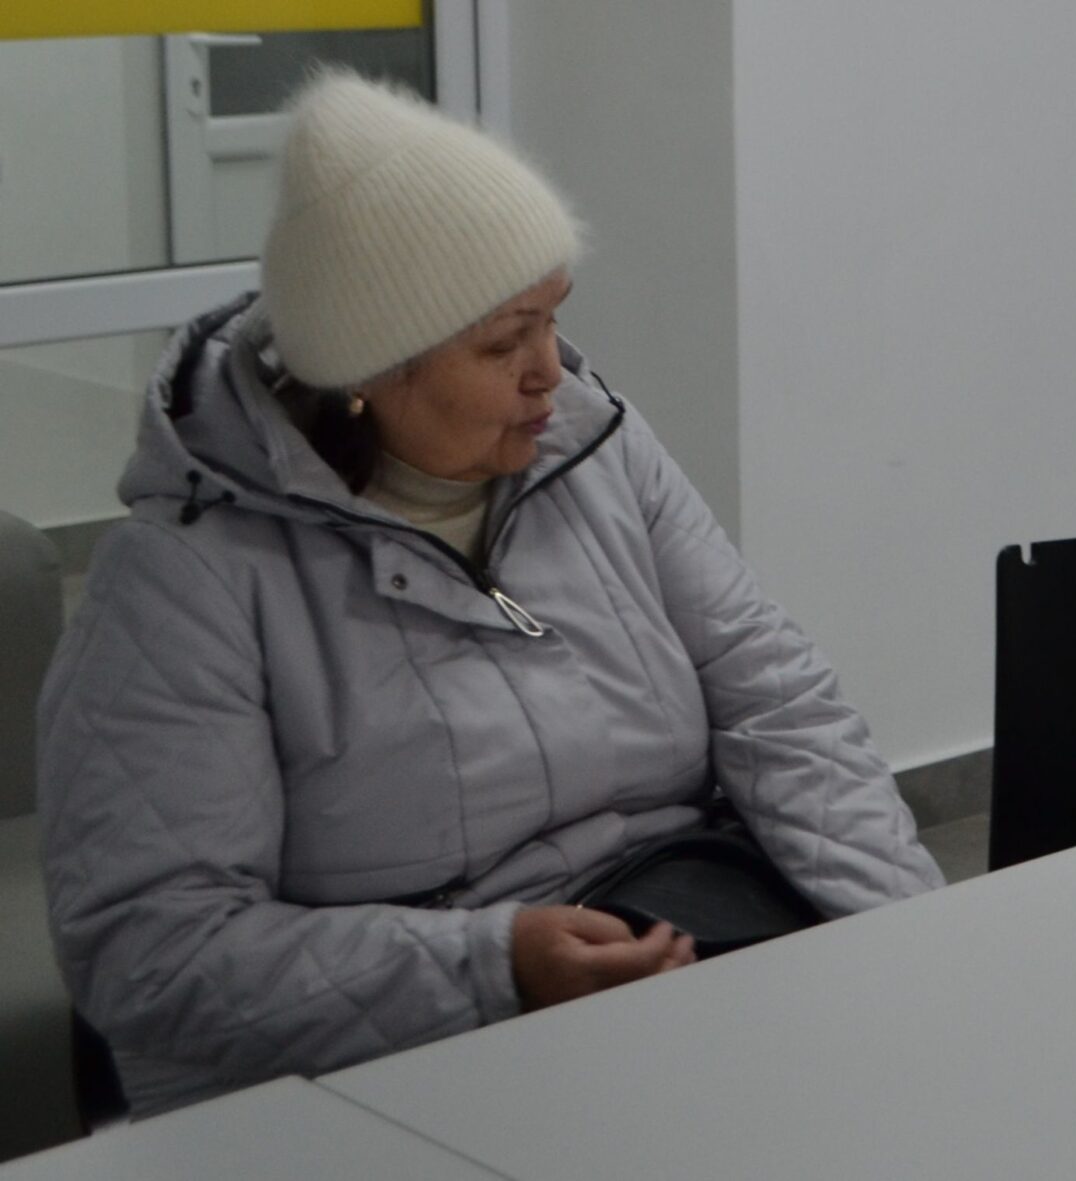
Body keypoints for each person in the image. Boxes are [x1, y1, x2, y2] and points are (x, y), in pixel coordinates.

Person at [36, 72, 943, 1117]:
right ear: (369, 370)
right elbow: (154, 950)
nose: (551, 373)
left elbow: (779, 703)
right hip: (396, 1067)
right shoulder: (186, 581)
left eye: (553, 320)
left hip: (675, 950)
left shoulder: (595, 452)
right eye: (504, 343)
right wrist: (492, 965)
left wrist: (911, 937)